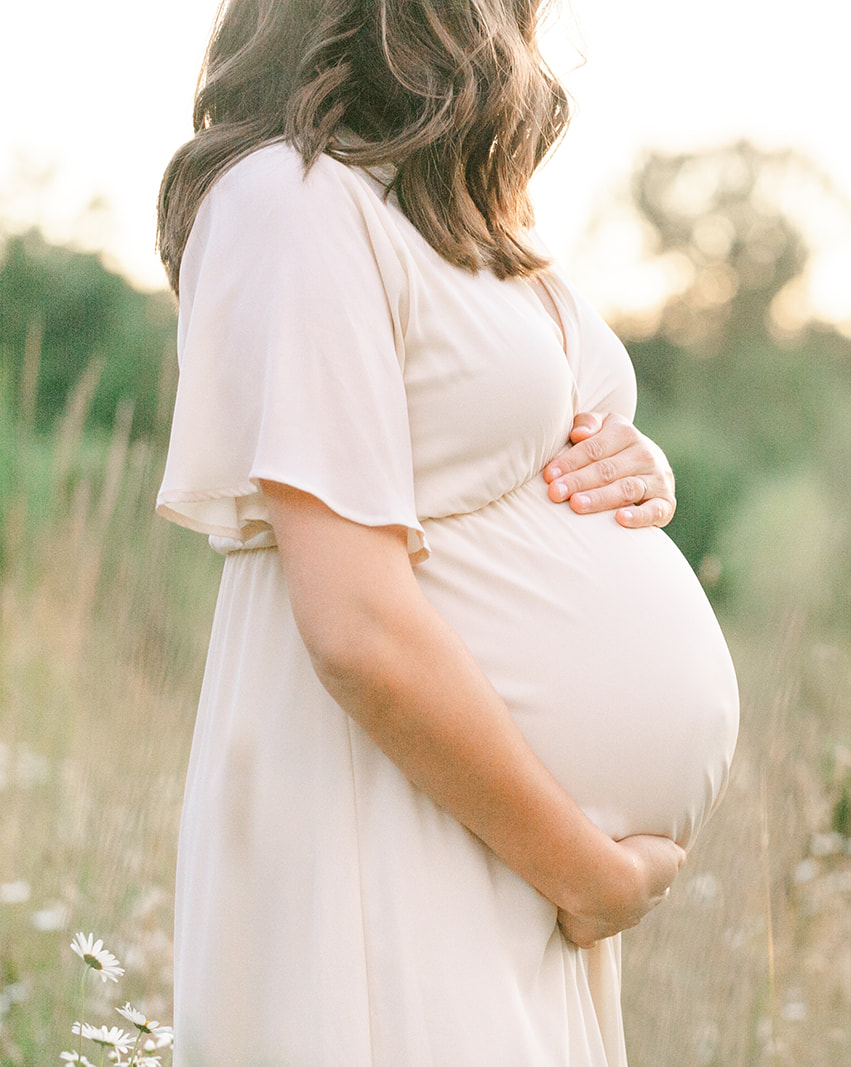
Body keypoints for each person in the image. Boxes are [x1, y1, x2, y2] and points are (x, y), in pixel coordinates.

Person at [152, 0, 741, 1062]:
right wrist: (584, 868)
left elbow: (494, 442)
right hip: (391, 816)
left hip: (492, 843)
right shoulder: (288, 203)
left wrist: (632, 463)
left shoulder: (449, 211)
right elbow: (357, 624)